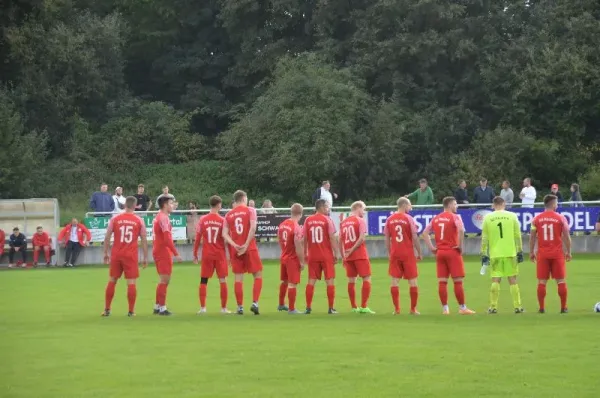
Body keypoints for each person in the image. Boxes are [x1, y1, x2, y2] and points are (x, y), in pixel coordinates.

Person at [422, 197, 475, 315]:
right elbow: (461, 230)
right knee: (458, 281)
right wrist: (460, 245)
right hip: (452, 251)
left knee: (442, 281)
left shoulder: (435, 218)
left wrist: (431, 247)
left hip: (440, 252)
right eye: (455, 204)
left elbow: (425, 233)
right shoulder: (455, 217)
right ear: (450, 205)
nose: (456, 206)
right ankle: (462, 308)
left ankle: (445, 309)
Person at [101, 196, 148, 317]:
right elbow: (143, 239)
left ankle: (107, 309)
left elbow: (107, 237)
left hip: (116, 254)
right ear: (135, 206)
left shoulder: (115, 219)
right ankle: (131, 311)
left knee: (112, 280)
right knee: (131, 283)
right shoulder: (139, 220)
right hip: (130, 255)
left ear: (125, 205)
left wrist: (105, 253)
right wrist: (145, 257)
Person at [480, 196, 524, 314]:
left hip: (495, 253)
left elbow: (484, 238)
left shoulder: (488, 218)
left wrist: (484, 253)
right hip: (510, 252)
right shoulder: (512, 216)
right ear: (504, 204)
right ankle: (517, 306)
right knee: (513, 279)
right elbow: (517, 235)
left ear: (493, 205)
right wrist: (520, 250)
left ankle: (493, 307)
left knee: (495, 280)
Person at [223, 190, 263, 315]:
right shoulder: (250, 210)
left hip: (236, 249)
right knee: (258, 275)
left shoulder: (229, 214)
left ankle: (240, 307)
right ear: (244, 198)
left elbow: (224, 234)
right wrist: (246, 244)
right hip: (249, 247)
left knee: (238, 278)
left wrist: (234, 244)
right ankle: (255, 303)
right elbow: (253, 227)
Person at [530, 195, 571, 314]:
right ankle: (563, 307)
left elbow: (532, 237)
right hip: (557, 254)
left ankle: (542, 308)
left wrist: (532, 251)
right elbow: (567, 237)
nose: (557, 205)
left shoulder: (536, 219)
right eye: (556, 203)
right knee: (561, 281)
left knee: (542, 281)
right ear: (553, 204)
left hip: (542, 254)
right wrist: (568, 251)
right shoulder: (561, 218)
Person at [384, 197, 422, 315]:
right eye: (410, 205)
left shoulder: (389, 219)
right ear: (404, 205)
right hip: (407, 253)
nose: (411, 207)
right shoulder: (408, 218)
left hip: (395, 252)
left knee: (394, 281)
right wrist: (419, 252)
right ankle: (413, 309)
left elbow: (386, 238)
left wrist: (390, 252)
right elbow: (414, 236)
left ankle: (397, 309)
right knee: (413, 281)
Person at [193, 195, 230, 314]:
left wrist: (194, 253)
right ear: (219, 205)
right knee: (223, 280)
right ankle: (223, 308)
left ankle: (203, 308)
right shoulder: (223, 220)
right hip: (219, 254)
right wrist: (229, 255)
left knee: (203, 280)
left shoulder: (202, 219)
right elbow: (226, 238)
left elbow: (198, 237)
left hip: (207, 254)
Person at [304, 199, 339, 314]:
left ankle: (308, 307)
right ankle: (330, 308)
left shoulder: (308, 220)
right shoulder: (327, 220)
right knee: (329, 280)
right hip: (326, 255)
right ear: (322, 207)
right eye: (327, 207)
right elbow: (332, 237)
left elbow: (304, 238)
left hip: (313, 255)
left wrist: (305, 253)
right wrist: (336, 252)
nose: (327, 209)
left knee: (311, 281)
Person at [340, 201, 375, 314]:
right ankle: (364, 306)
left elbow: (340, 240)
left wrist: (344, 256)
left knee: (351, 280)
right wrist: (352, 250)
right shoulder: (360, 220)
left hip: (348, 257)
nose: (364, 212)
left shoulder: (343, 222)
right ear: (358, 207)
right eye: (363, 209)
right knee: (367, 278)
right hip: (359, 254)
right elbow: (361, 238)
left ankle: (354, 307)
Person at [153, 196, 183, 316]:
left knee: (162, 280)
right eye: (171, 203)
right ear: (165, 205)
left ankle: (157, 306)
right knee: (165, 280)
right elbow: (167, 239)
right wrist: (176, 253)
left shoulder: (159, 216)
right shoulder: (163, 218)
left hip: (158, 250)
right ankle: (162, 308)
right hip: (163, 252)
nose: (173, 205)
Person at [277, 203, 305, 314]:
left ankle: (281, 304)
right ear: (301, 214)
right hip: (292, 258)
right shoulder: (296, 227)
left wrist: (284, 250)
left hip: (284, 256)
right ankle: (292, 308)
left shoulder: (283, 224)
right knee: (292, 283)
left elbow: (279, 239)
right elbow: (298, 244)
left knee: (284, 281)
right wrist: (302, 261)